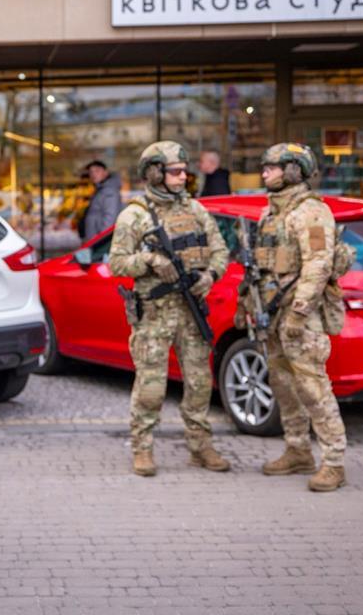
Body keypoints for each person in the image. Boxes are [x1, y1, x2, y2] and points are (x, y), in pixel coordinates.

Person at [107, 141, 231, 477]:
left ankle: (200, 446)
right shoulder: (134, 214)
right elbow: (116, 263)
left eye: (184, 171)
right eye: (175, 171)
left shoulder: (195, 210)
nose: (182, 176)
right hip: (155, 313)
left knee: (200, 382)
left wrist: (210, 276)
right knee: (151, 386)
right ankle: (143, 448)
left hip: (191, 313)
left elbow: (221, 251)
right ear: (155, 173)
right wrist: (149, 260)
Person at [239, 142, 348, 492]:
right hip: (272, 313)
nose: (264, 172)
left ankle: (334, 462)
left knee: (313, 388)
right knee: (283, 384)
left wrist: (299, 313)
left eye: (271, 167)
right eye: (264, 166)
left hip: (301, 317)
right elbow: (260, 264)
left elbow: (318, 265)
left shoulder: (310, 212)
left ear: (292, 170)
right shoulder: (269, 213)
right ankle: (298, 449)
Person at [78, 160, 123, 240]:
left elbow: (110, 219)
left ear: (105, 172)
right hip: (94, 240)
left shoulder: (109, 191)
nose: (93, 174)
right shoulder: (100, 190)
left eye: (97, 171)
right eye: (91, 172)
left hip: (99, 242)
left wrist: (100, 240)